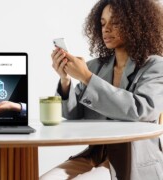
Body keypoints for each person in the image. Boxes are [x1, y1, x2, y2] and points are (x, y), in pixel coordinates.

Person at [41, 0, 163, 179]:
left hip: (132, 159)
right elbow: (73, 113)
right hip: (95, 155)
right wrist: (65, 79)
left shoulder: (155, 66)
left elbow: (141, 110)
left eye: (115, 22)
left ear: (135, 24)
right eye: (103, 23)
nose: (106, 29)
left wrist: (86, 77)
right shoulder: (95, 67)